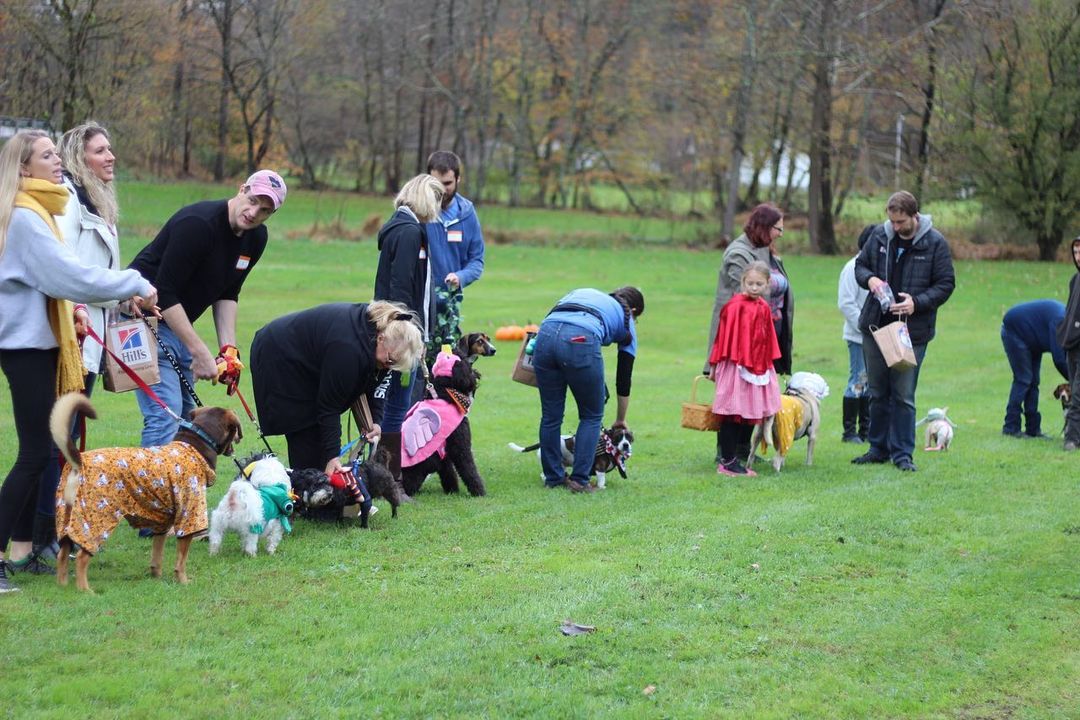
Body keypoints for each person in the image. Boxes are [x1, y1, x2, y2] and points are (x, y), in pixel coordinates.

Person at [0, 130, 156, 592]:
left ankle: (23, 552)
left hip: (44, 344)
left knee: (47, 449)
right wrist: (132, 283)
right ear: (24, 168)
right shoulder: (27, 218)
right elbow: (68, 276)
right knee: (34, 453)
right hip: (26, 348)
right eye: (47, 156)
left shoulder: (42, 211)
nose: (57, 162)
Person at [128, 169, 286, 447]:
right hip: (142, 320)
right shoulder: (198, 224)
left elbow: (228, 291)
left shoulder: (256, 238)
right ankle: (151, 489)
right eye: (252, 200)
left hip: (177, 325)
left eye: (264, 210)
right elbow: (164, 291)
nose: (253, 212)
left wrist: (229, 351)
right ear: (241, 189)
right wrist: (199, 351)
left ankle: (180, 488)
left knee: (191, 421)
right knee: (165, 417)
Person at [31, 121, 122, 561]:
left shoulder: (94, 201)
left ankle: (49, 532)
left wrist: (126, 301)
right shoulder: (68, 201)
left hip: (90, 337)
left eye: (110, 150)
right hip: (70, 337)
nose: (111, 158)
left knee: (65, 437)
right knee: (57, 439)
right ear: (77, 157)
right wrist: (82, 307)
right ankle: (43, 535)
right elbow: (62, 265)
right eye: (100, 151)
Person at [249, 301, 424, 474]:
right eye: (390, 361)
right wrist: (333, 456)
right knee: (305, 430)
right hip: (280, 356)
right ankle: (305, 487)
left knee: (317, 439)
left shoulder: (382, 343)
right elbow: (329, 406)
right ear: (380, 338)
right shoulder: (349, 350)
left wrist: (376, 421)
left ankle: (315, 484)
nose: (389, 367)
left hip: (311, 357)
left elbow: (378, 381)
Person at [852, 191, 955, 472]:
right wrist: (870, 279)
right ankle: (877, 448)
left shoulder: (935, 243)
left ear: (914, 216)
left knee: (903, 394)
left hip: (911, 332)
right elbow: (860, 266)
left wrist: (917, 303)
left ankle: (902, 453)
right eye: (892, 221)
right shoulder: (879, 236)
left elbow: (946, 284)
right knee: (877, 391)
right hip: (875, 324)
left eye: (901, 222)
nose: (895, 227)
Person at [703, 203, 793, 463]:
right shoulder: (738, 253)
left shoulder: (763, 250)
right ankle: (727, 454)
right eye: (778, 228)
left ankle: (742, 450)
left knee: (753, 397)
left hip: (757, 340)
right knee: (733, 398)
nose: (780, 234)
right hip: (737, 343)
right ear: (765, 227)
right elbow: (746, 290)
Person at [532, 286, 644, 493]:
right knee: (591, 415)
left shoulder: (585, 293)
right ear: (635, 311)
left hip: (545, 336)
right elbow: (624, 377)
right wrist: (621, 419)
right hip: (580, 340)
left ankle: (554, 478)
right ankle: (580, 480)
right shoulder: (627, 320)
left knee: (550, 415)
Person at [372, 174, 444, 482]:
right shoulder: (408, 232)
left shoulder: (408, 229)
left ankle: (391, 476)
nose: (440, 206)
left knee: (395, 406)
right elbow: (400, 289)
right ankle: (390, 479)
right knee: (397, 407)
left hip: (405, 332)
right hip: (402, 336)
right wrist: (407, 337)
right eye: (438, 198)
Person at [707, 262, 782, 476]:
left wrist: (769, 365)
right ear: (743, 282)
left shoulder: (764, 308)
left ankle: (737, 456)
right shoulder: (734, 306)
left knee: (749, 411)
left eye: (759, 284)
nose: (754, 288)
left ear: (768, 284)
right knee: (732, 412)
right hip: (735, 366)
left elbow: (767, 340)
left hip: (757, 367)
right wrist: (713, 365)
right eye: (750, 283)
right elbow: (722, 338)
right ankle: (727, 462)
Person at [423, 150, 485, 359]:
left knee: (446, 365)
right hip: (417, 303)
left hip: (449, 307)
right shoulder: (416, 212)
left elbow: (476, 261)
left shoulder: (467, 214)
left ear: (458, 179)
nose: (441, 189)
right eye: (435, 182)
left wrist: (461, 277)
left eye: (447, 183)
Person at [1001, 299, 1067, 438]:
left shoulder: (1071, 323)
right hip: (1015, 332)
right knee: (1023, 379)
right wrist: (1074, 379)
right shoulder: (1061, 321)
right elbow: (1060, 359)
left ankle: (1033, 429)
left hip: (1032, 337)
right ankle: (1011, 427)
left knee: (1033, 382)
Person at [837, 225, 875, 443]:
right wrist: (865, 325)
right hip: (859, 336)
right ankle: (849, 432)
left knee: (871, 382)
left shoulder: (876, 267)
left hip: (877, 336)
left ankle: (866, 431)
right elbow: (846, 302)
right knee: (858, 379)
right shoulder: (852, 268)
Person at [1057, 237, 1080, 451]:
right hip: (1072, 345)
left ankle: (1071, 439)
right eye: (1075, 252)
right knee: (1074, 388)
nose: (1078, 256)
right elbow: (1069, 312)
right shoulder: (1075, 280)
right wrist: (1064, 333)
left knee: (1079, 392)